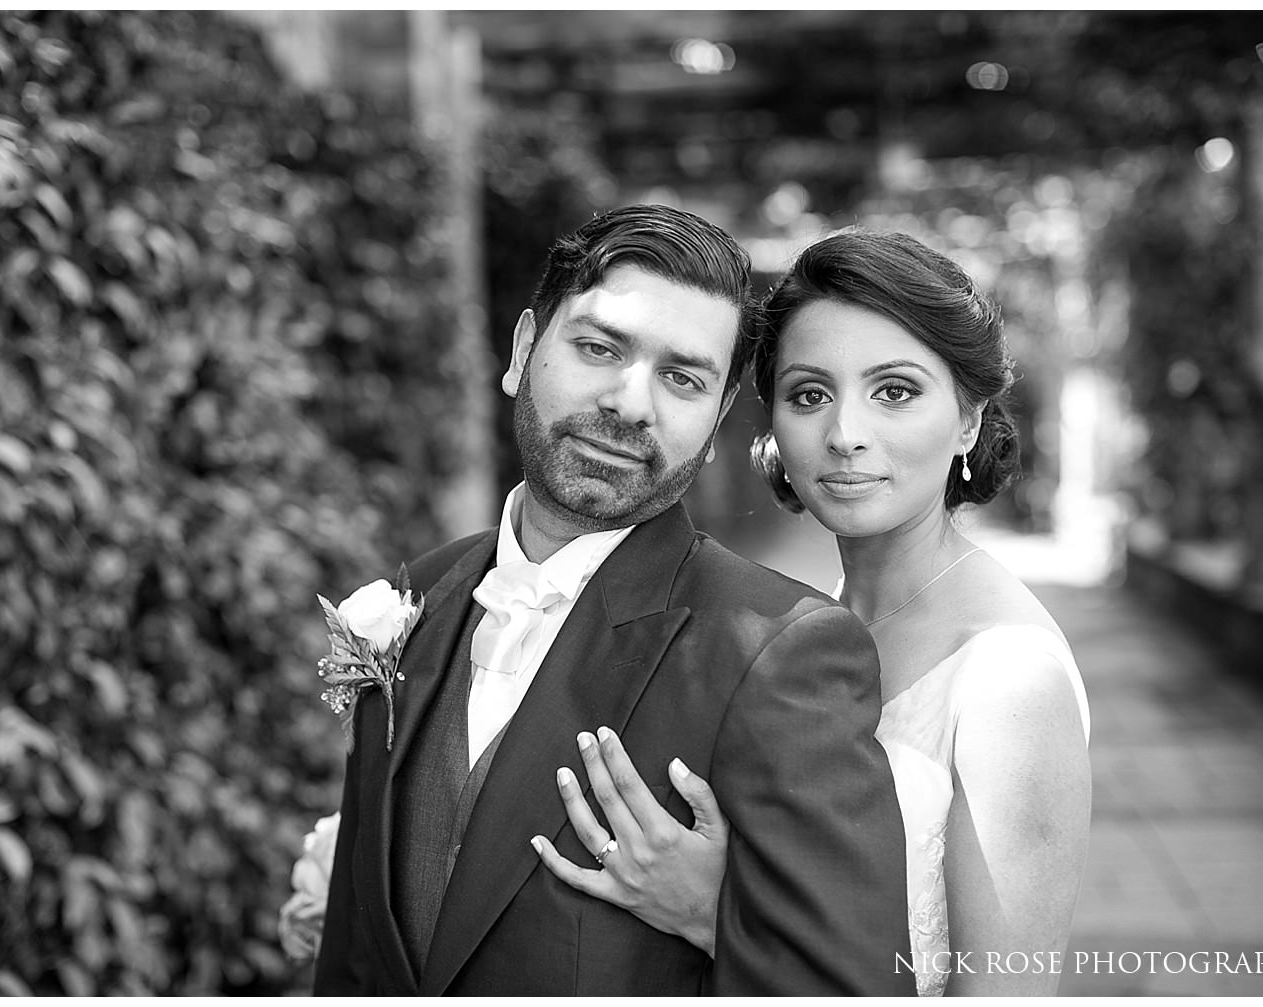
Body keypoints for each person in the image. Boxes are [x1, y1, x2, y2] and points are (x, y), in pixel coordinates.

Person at [310, 206, 914, 995]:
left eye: (682, 377)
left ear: (718, 413)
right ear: (524, 350)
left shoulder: (781, 651)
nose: (632, 403)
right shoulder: (411, 598)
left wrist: (720, 916)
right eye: (599, 348)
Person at [533, 228, 1093, 996]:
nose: (845, 435)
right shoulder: (809, 627)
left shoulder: (1011, 681)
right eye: (809, 394)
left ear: (968, 420)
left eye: (894, 390)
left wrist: (716, 909)